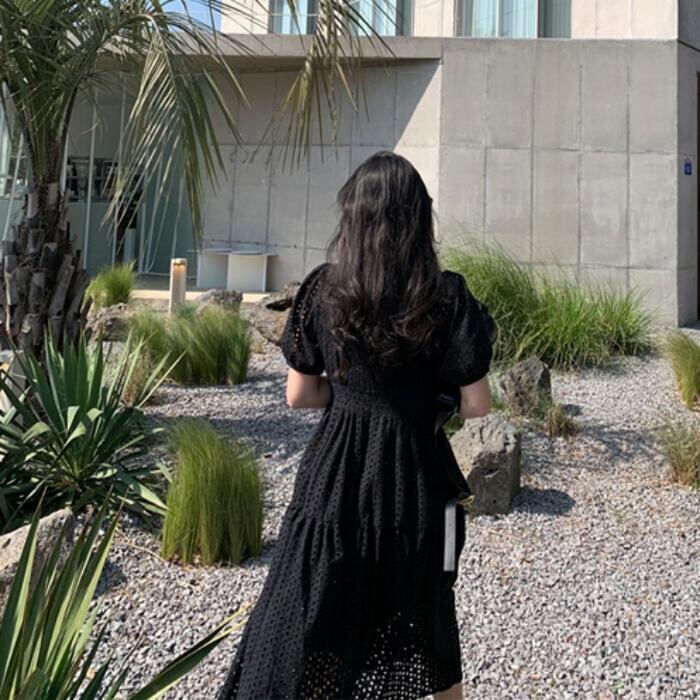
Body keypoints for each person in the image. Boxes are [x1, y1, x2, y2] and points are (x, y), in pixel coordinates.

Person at [217, 150, 493, 700]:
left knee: (314, 606)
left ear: (353, 217)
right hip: (416, 477)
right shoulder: (446, 297)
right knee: (428, 615)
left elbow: (300, 394)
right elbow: (477, 405)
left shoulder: (325, 290)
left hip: (336, 474)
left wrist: (347, 397)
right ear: (419, 219)